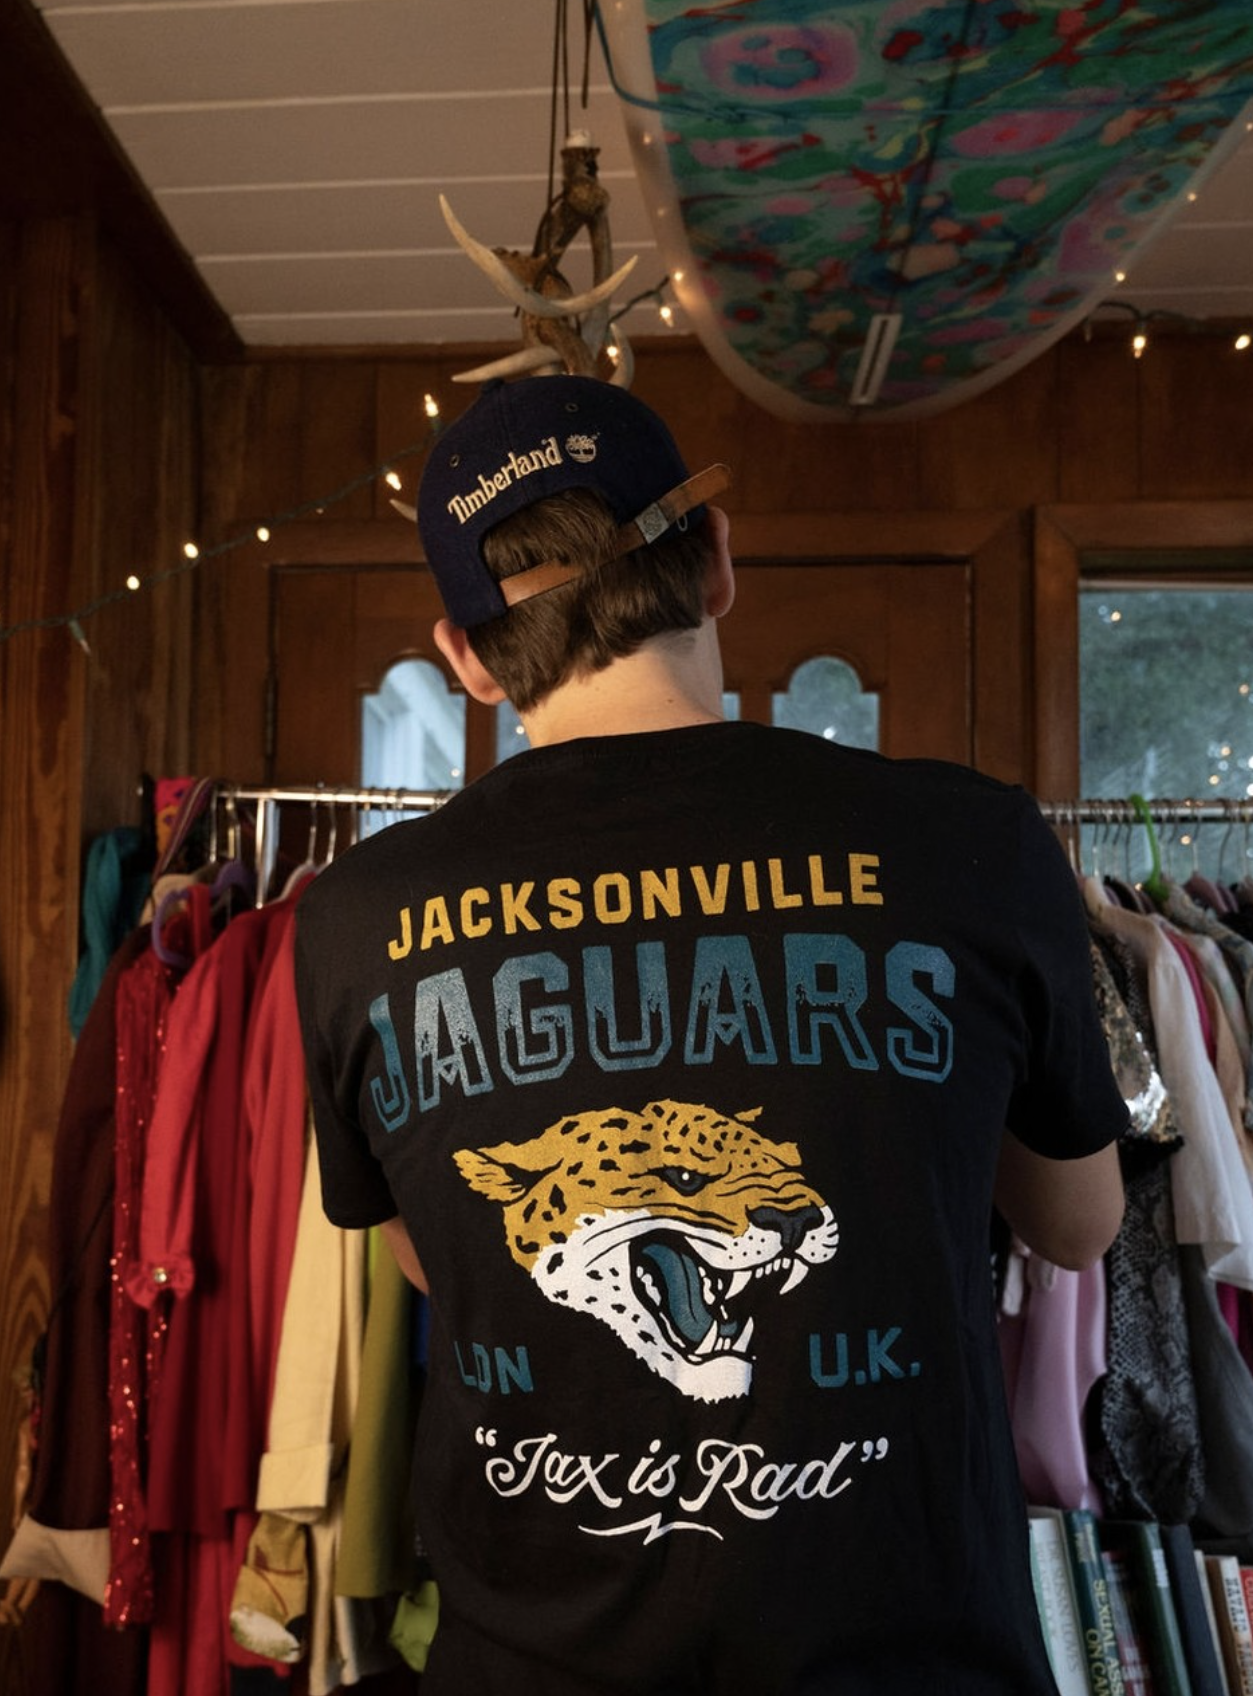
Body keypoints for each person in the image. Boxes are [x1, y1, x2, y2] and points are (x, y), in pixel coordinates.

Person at [293, 374, 1128, 1694]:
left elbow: (443, 1260)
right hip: (908, 1658)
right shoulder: (975, 841)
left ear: (466, 655)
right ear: (717, 562)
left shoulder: (355, 916)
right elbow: (1078, 1227)